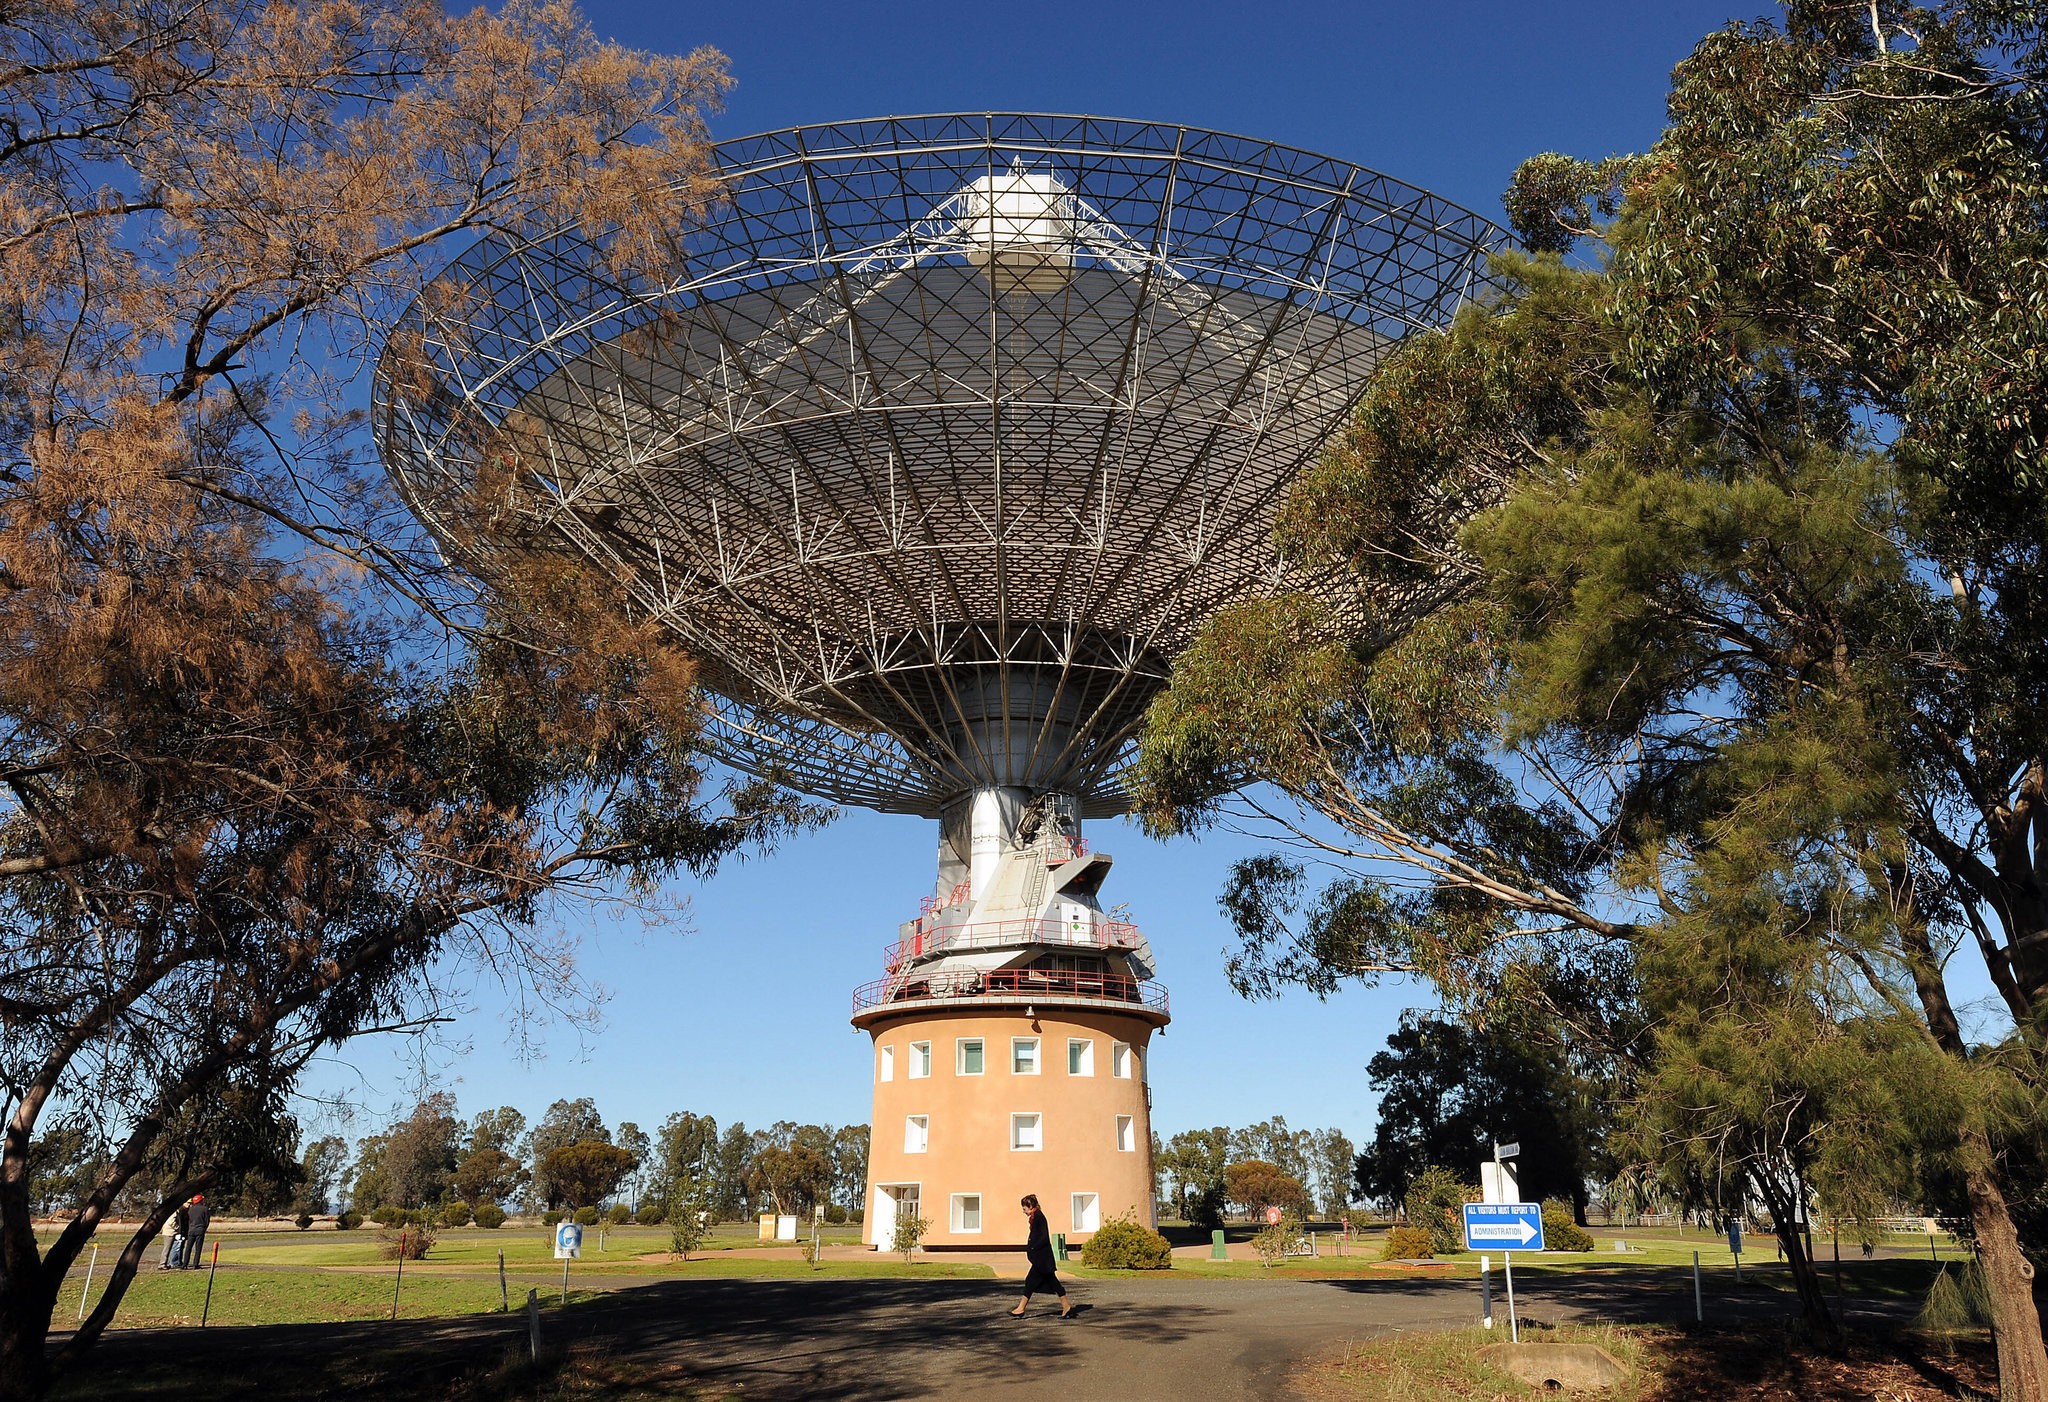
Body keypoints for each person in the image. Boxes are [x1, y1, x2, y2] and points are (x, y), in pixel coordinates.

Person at [1009, 1194, 1071, 1319]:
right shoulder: (1035, 1216)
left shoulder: (1039, 1217)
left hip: (1042, 1259)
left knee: (1031, 1281)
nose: (1023, 1211)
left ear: (1031, 1206)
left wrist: (1033, 1247)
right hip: (1041, 1258)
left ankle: (1021, 1308)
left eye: (1024, 1208)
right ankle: (1066, 1306)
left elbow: (1043, 1237)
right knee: (1051, 1282)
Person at [182, 1194, 210, 1269]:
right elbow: (207, 1221)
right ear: (201, 1200)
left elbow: (188, 1220)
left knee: (188, 1248)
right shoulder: (205, 1209)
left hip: (191, 1230)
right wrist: (204, 1228)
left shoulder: (190, 1209)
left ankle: (185, 1264)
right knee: (198, 1248)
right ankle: (195, 1264)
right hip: (200, 1230)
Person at [160, 1202, 188, 1270]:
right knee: (167, 1249)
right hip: (169, 1232)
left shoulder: (174, 1212)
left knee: (168, 1248)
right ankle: (162, 1264)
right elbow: (171, 1222)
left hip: (169, 1231)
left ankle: (165, 1263)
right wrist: (177, 1228)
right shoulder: (173, 1212)